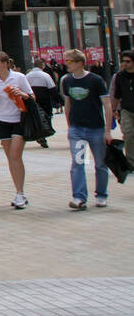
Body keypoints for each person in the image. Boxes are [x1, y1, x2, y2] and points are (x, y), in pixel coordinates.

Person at [60, 49, 113, 210]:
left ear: (80, 63)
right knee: (78, 162)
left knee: (100, 164)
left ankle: (101, 195)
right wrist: (69, 126)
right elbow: (68, 102)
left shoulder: (95, 80)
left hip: (95, 128)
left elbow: (107, 104)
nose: (66, 64)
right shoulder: (67, 80)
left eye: (69, 61)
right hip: (77, 129)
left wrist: (108, 130)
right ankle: (79, 197)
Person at [0, 50, 34, 209]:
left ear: (5, 64)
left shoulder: (19, 77)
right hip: (2, 121)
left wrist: (20, 93)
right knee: (11, 159)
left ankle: (20, 193)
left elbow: (32, 97)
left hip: (19, 120)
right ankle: (19, 191)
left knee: (15, 155)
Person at [108, 50, 134, 169]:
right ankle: (130, 162)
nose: (125, 64)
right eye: (123, 61)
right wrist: (113, 110)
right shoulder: (120, 76)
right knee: (128, 134)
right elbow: (117, 94)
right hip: (126, 110)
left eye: (128, 61)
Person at [25, 62, 57, 148]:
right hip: (45, 100)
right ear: (42, 66)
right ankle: (43, 134)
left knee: (36, 118)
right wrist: (58, 100)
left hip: (32, 100)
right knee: (46, 117)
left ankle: (39, 135)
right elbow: (52, 89)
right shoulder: (45, 75)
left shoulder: (28, 76)